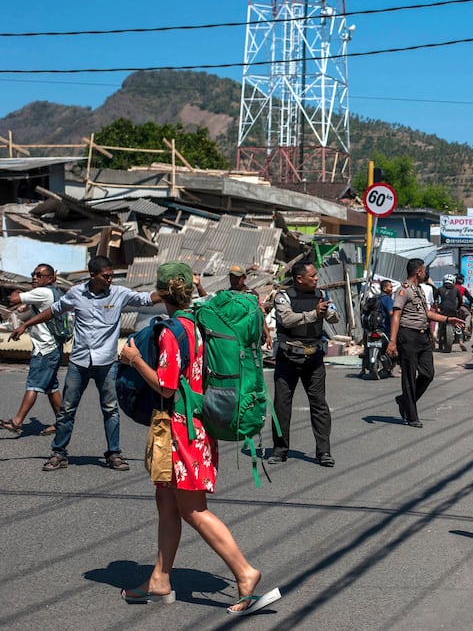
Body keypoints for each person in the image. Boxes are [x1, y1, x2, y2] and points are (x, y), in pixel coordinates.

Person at [118, 262, 281, 615]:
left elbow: (165, 382)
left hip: (182, 429)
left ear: (161, 293)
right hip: (194, 425)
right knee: (167, 503)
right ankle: (160, 580)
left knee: (192, 509)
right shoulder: (199, 324)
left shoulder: (173, 330)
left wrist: (133, 360)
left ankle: (245, 573)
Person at [10, 255, 162, 472]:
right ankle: (58, 453)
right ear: (93, 276)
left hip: (107, 363)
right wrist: (25, 325)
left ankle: (114, 454)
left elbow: (147, 299)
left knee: (110, 410)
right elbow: (52, 311)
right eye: (106, 276)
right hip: (79, 362)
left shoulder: (119, 293)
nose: (110, 280)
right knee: (67, 410)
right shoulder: (76, 294)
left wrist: (171, 292)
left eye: (111, 276)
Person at [268, 262, 339, 467]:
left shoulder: (322, 295)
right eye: (313, 276)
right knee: (281, 405)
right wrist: (314, 314)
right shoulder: (283, 296)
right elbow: (287, 320)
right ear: (300, 278)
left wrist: (328, 312)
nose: (317, 279)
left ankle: (324, 452)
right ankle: (280, 450)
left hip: (314, 358)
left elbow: (335, 317)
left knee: (319, 404)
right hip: (288, 357)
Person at [386, 258, 465, 429]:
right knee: (409, 377)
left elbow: (427, 314)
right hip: (407, 336)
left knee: (428, 374)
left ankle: (404, 401)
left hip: (422, 337)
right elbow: (396, 316)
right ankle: (411, 415)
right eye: (424, 269)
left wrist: (448, 319)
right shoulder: (403, 291)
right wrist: (392, 341)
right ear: (418, 272)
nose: (426, 273)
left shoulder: (420, 290)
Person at [1, 264, 64, 436]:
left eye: (39, 275)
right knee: (51, 387)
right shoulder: (55, 292)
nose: (34, 277)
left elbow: (14, 299)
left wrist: (16, 292)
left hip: (44, 349)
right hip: (54, 347)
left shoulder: (41, 292)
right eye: (33, 274)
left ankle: (17, 421)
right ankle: (62, 422)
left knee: (33, 385)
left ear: (50, 278)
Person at [224, 265, 273, 350]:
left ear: (244, 278)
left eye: (237, 278)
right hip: (232, 337)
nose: (234, 280)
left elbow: (260, 315)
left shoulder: (252, 295)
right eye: (232, 277)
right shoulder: (226, 295)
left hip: (249, 339)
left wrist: (267, 335)